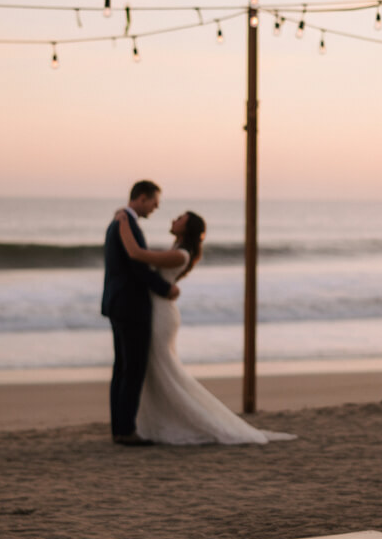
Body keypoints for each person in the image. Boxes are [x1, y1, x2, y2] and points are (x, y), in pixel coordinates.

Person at [114, 207, 295, 445]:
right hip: (156, 311)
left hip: (161, 316)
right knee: (156, 370)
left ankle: (174, 420)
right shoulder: (175, 250)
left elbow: (136, 253)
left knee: (163, 369)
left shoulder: (181, 255)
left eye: (180, 219)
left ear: (186, 229)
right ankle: (153, 421)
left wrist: (122, 221)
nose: (174, 219)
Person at [101, 180, 179, 446]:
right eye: (154, 203)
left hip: (116, 303)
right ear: (142, 198)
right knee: (133, 369)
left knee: (121, 368)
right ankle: (126, 431)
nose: (155, 209)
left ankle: (119, 429)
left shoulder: (118, 223)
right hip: (130, 307)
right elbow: (137, 266)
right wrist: (164, 288)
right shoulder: (127, 224)